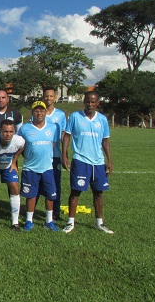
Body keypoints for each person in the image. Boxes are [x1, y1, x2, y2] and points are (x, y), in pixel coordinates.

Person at [61, 91, 113, 234]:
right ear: (84, 102)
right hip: (80, 160)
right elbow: (67, 136)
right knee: (76, 191)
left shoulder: (102, 119)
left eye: (92, 102)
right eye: (87, 101)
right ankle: (70, 222)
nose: (90, 104)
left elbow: (105, 140)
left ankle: (99, 223)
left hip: (98, 162)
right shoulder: (75, 117)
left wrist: (109, 160)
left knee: (98, 192)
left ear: (97, 103)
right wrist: (64, 154)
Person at [13, 101, 59, 231]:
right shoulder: (25, 128)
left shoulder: (52, 127)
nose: (39, 113)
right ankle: (29, 220)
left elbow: (53, 144)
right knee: (30, 195)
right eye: (36, 110)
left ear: (45, 112)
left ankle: (49, 221)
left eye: (42, 110)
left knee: (50, 195)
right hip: (30, 168)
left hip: (47, 168)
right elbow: (20, 146)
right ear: (32, 112)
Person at [42, 87, 67, 220]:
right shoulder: (40, 112)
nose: (49, 98)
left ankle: (55, 211)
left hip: (55, 155)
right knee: (40, 183)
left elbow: (63, 134)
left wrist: (64, 153)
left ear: (55, 97)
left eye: (51, 96)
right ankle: (33, 210)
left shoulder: (60, 115)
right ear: (43, 97)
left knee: (56, 183)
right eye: (46, 96)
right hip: (41, 155)